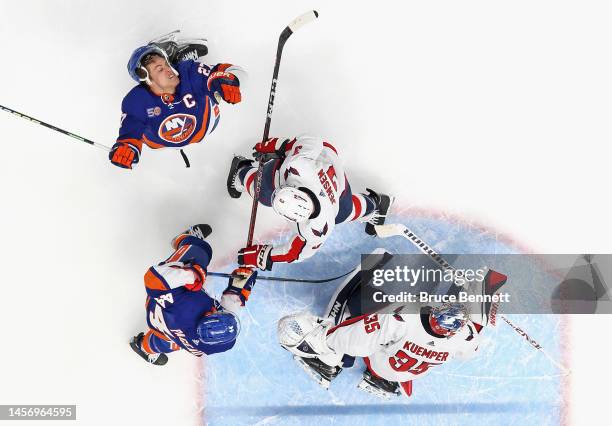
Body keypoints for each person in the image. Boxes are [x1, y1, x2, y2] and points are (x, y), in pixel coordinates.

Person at [277, 265, 507, 398]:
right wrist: (481, 293)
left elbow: (357, 340)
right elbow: (474, 342)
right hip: (406, 374)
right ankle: (381, 381)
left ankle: (328, 362)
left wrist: (324, 341)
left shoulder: (402, 320)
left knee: (365, 302)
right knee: (392, 340)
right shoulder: (462, 338)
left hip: (382, 364)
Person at [226, 135, 394, 270]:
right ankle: (375, 204)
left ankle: (241, 170)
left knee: (263, 192)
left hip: (331, 181)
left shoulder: (315, 229)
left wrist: (263, 256)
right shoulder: (298, 165)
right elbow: (312, 143)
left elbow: (293, 253)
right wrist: (278, 146)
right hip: (335, 181)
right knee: (345, 209)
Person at [129, 224, 257, 365]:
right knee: (169, 341)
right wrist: (237, 291)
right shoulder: (218, 344)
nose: (219, 309)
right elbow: (226, 316)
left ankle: (185, 240)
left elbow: (153, 280)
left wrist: (192, 275)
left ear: (209, 315)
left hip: (158, 302)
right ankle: (144, 347)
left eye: (217, 312)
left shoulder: (185, 307)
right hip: (166, 331)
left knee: (202, 251)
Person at [109, 34, 242, 169]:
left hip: (207, 124)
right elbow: (131, 128)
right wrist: (127, 147)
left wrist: (226, 79)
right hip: (161, 144)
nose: (168, 70)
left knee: (200, 82)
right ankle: (174, 58)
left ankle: (175, 60)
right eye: (160, 69)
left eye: (167, 64)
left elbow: (219, 72)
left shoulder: (188, 72)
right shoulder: (137, 99)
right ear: (147, 79)